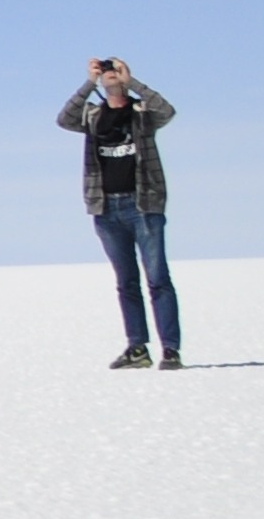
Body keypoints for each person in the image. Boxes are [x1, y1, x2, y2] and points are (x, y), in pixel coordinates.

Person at [59, 58, 181, 370]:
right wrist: (89, 83)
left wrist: (133, 82)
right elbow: (64, 119)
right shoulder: (93, 114)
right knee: (126, 282)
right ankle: (137, 349)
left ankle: (170, 351)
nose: (110, 73)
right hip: (106, 208)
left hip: (143, 204)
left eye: (115, 70)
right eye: (106, 71)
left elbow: (167, 111)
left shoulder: (143, 113)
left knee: (157, 279)